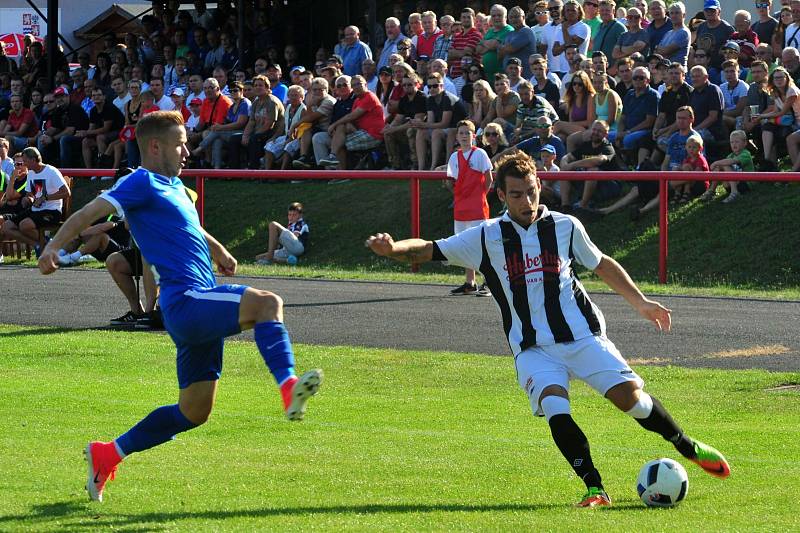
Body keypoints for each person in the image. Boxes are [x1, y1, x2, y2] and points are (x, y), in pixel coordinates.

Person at [365, 150, 731, 508]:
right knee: (556, 406)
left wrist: (640, 303)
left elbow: (601, 264)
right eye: (516, 194)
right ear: (501, 195)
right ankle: (594, 488)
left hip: (583, 336)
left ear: (540, 184)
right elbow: (428, 249)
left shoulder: (565, 226)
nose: (526, 200)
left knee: (629, 400)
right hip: (532, 348)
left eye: (531, 191)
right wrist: (394, 247)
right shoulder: (485, 237)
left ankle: (686, 445)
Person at [38, 111, 324, 503]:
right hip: (187, 300)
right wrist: (54, 246)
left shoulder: (172, 185)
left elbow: (191, 226)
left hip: (196, 305)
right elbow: (87, 213)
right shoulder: (139, 181)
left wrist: (218, 249)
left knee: (194, 412)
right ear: (155, 146)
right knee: (267, 303)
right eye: (180, 142)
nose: (188, 150)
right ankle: (289, 387)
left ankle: (108, 454)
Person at [445, 120, 493, 296]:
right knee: (464, 245)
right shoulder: (454, 157)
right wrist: (459, 196)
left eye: (468, 133)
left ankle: (488, 281)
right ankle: (469, 282)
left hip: (477, 208)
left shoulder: (479, 154)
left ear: (474, 136)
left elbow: (488, 179)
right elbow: (451, 181)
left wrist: (480, 196)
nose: (464, 136)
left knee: (481, 245)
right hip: (461, 209)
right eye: (461, 133)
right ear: (457, 136)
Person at [0, 147, 70, 256]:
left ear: (33, 160)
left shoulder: (51, 171)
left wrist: (45, 198)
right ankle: (40, 245)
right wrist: (28, 199)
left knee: (25, 225)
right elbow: (30, 194)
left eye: (25, 161)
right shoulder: (31, 173)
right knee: (6, 227)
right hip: (35, 210)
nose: (24, 164)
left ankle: (46, 245)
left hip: (52, 211)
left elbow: (66, 192)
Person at [706, 129, 754, 203]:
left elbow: (732, 161)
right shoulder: (730, 155)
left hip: (745, 184)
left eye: (737, 142)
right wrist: (718, 166)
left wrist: (716, 163)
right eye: (732, 142)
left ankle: (735, 193)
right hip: (731, 185)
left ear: (745, 143)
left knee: (725, 165)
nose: (734, 144)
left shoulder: (746, 154)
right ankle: (712, 190)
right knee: (720, 166)